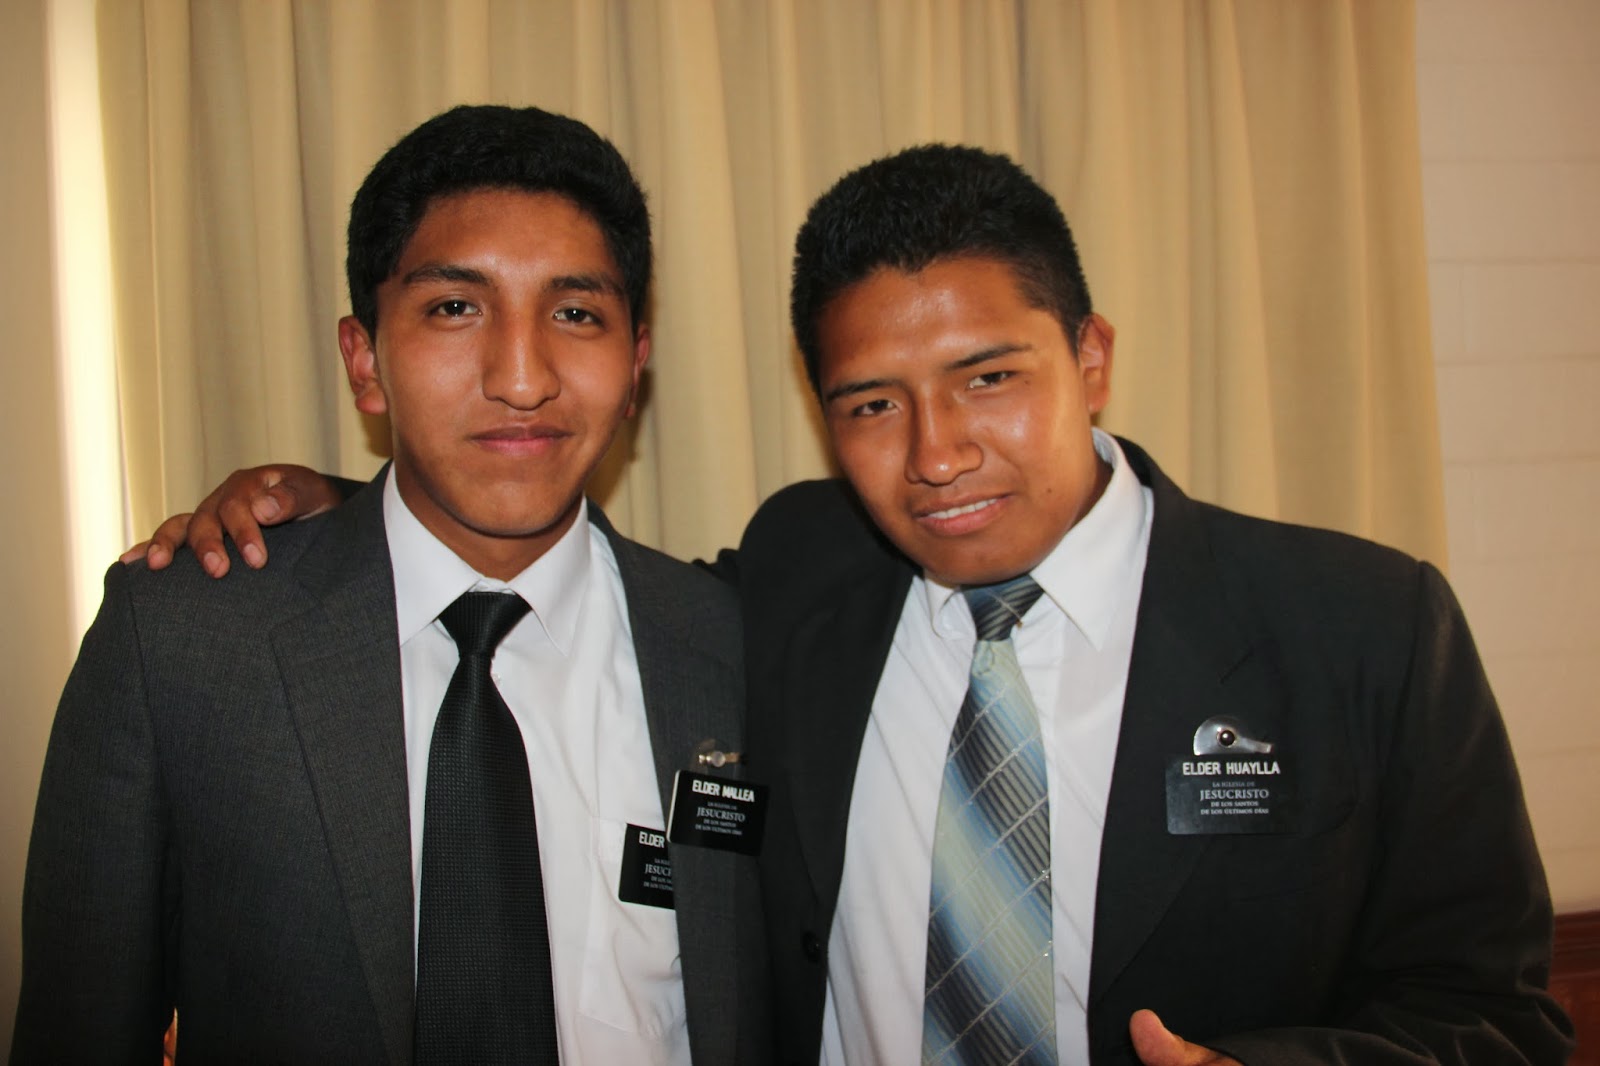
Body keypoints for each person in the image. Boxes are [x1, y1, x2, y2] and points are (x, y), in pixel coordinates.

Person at [123, 145, 1571, 1066]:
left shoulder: (1361, 627)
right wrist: (341, 511)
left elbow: (1499, 1016)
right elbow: (550, 571)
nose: (936, 455)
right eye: (871, 403)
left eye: (989, 378)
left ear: (1091, 356)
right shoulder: (800, 574)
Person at [14, 105, 767, 1065]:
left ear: (634, 367)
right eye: (455, 307)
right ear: (365, 361)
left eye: (576, 314)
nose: (522, 377)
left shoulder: (730, 645)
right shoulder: (181, 645)